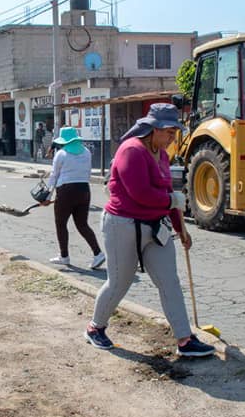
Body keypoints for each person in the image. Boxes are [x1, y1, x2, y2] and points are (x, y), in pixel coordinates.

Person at [84, 103, 215, 358]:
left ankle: (185, 339)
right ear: (153, 129)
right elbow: (141, 193)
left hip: (156, 227)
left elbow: (168, 194)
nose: (171, 139)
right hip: (123, 225)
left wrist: (181, 229)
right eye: (168, 133)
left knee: (169, 281)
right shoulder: (131, 151)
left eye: (174, 133)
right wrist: (171, 201)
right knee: (119, 282)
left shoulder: (163, 155)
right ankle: (95, 328)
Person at [39, 127, 105, 270]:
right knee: (82, 224)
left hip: (66, 191)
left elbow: (54, 176)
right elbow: (86, 172)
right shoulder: (86, 152)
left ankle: (64, 256)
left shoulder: (61, 154)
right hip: (84, 190)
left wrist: (46, 196)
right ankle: (98, 253)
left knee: (61, 223)